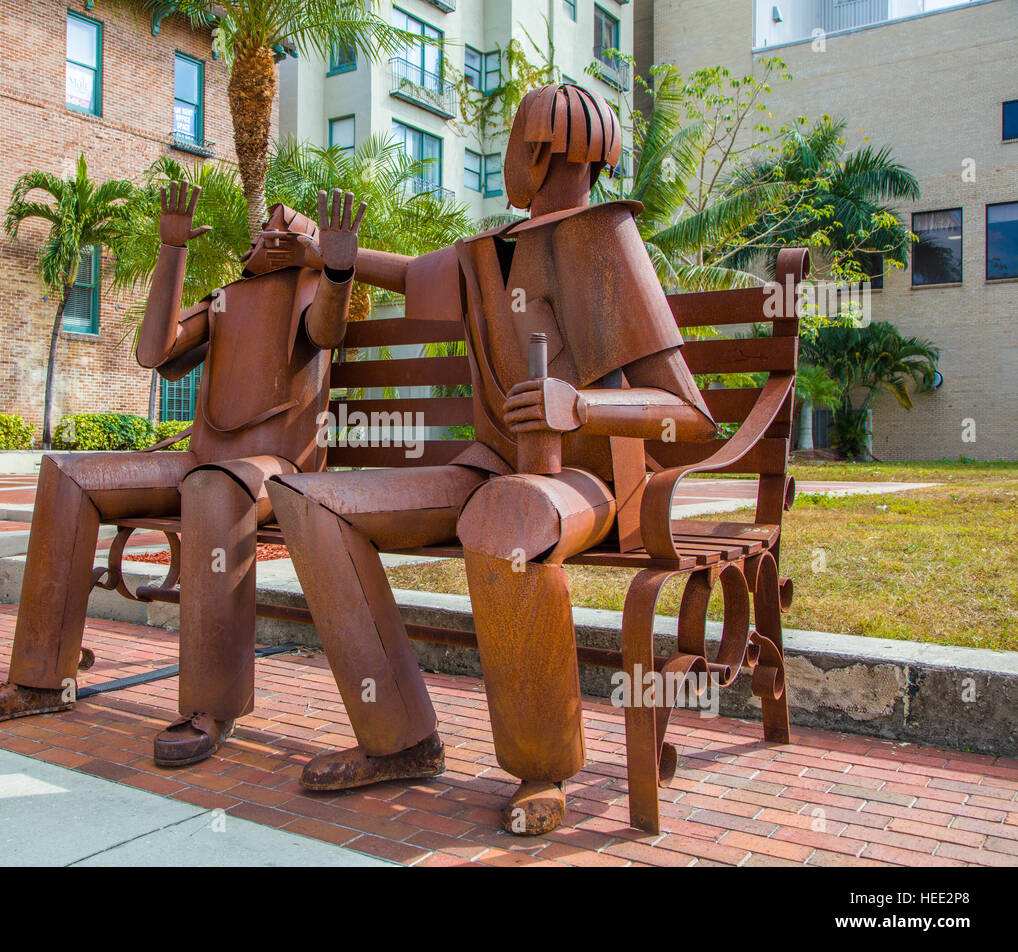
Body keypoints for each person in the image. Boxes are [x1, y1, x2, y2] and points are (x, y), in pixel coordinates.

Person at [265, 84, 717, 835]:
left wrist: (585, 405)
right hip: (490, 466)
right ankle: (398, 739)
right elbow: (415, 277)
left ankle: (543, 768)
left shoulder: (605, 241)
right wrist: (334, 259)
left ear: (537, 154)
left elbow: (691, 416)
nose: (504, 157)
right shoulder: (491, 250)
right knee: (310, 499)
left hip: (589, 482)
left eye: (510, 141)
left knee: (508, 515)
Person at [0, 183, 366, 770]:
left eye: (285, 228)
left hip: (276, 467)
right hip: (206, 460)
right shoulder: (227, 297)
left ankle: (209, 706)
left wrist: (339, 270)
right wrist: (171, 252)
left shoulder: (310, 290)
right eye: (262, 231)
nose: (268, 235)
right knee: (66, 473)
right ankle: (40, 678)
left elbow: (326, 331)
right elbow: (156, 352)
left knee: (216, 489)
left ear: (307, 242)